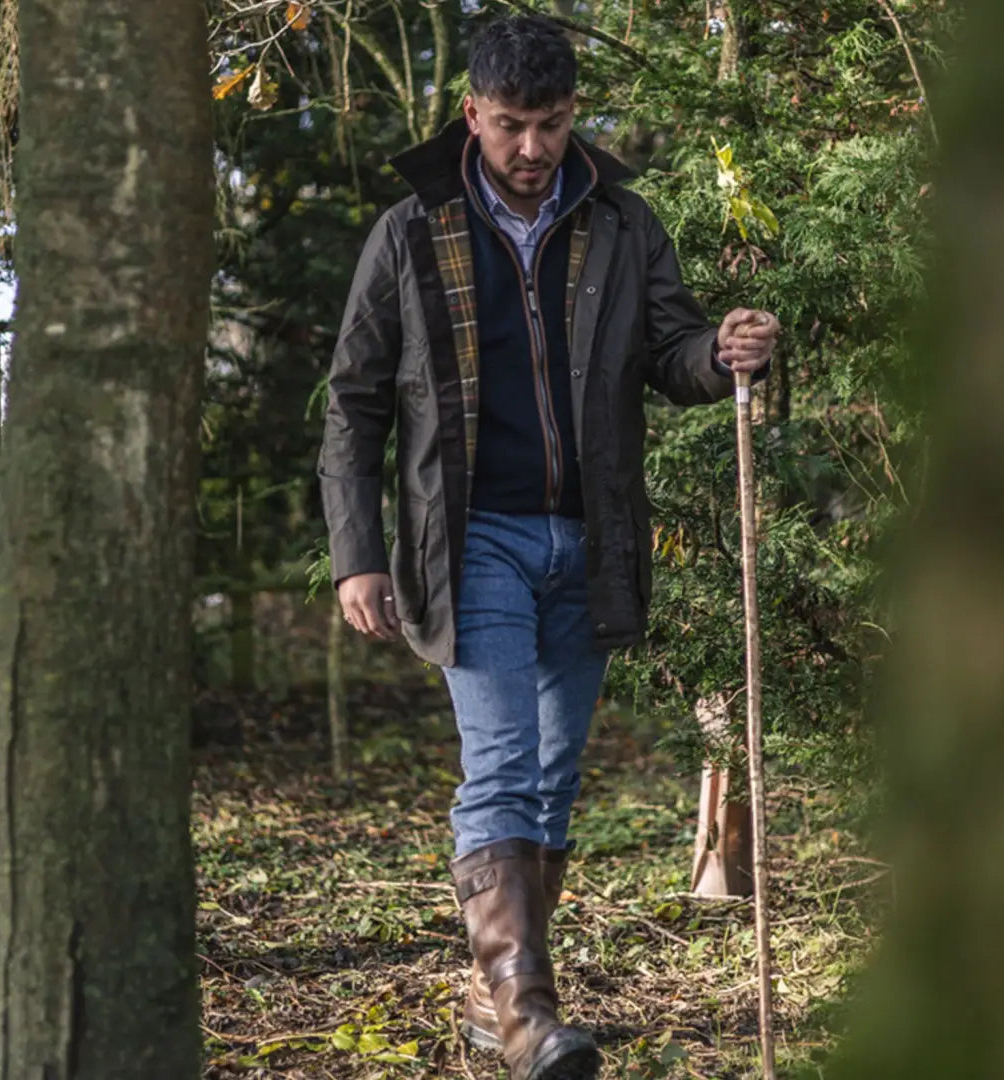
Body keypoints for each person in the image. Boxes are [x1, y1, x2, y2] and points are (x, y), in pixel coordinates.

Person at [319, 14, 778, 1080]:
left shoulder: (621, 223)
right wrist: (358, 552)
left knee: (556, 778)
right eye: (513, 126)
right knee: (504, 765)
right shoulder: (410, 229)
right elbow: (353, 404)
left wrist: (720, 348)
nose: (533, 149)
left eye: (554, 124)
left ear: (577, 115)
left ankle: (500, 1002)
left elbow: (671, 351)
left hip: (593, 537)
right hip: (466, 538)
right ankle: (529, 1015)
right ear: (472, 113)